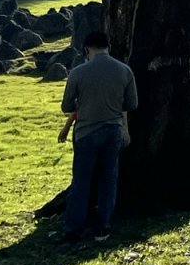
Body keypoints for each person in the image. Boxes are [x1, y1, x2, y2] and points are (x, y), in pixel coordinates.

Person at [59, 28, 138, 243]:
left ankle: (73, 228)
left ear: (86, 50)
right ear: (108, 47)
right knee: (108, 180)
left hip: (86, 132)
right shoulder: (124, 70)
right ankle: (103, 226)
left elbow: (66, 105)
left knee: (82, 181)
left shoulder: (78, 73)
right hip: (113, 130)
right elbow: (132, 104)